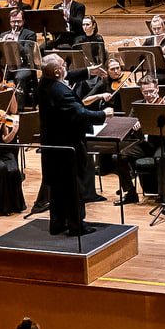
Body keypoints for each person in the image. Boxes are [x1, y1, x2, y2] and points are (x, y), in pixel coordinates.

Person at [38, 54, 107, 235]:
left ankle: (58, 223)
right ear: (57, 71)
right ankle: (76, 225)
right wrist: (104, 115)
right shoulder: (60, 92)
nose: (66, 66)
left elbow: (67, 76)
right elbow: (80, 113)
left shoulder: (44, 83)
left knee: (58, 187)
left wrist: (88, 71)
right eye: (63, 64)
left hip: (52, 146)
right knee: (73, 186)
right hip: (67, 146)